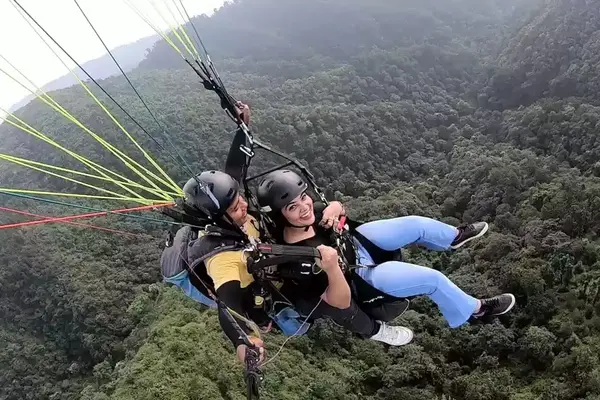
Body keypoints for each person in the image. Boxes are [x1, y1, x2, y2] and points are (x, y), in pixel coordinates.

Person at [161, 169, 416, 367]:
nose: (242, 204)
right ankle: (374, 331)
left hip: (280, 259)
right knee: (333, 305)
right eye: (233, 207)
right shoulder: (223, 259)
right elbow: (228, 305)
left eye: (238, 196)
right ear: (218, 218)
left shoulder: (238, 211)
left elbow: (235, 166)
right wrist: (243, 342)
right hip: (280, 295)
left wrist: (242, 123)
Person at [256, 169, 516, 330]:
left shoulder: (314, 213)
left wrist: (335, 206)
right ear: (281, 216)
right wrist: (333, 268)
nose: (304, 208)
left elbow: (338, 211)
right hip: (362, 277)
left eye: (304, 197)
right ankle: (476, 310)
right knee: (432, 279)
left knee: (414, 224)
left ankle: (452, 237)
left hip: (357, 241)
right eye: (293, 207)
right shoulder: (297, 259)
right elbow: (341, 303)